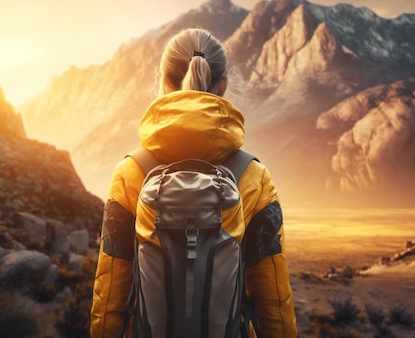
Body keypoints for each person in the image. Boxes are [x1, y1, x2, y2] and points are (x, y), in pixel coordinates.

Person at [90, 28, 298, 337]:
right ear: (223, 84)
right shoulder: (253, 177)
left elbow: (110, 294)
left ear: (162, 81)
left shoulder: (131, 172)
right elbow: (274, 299)